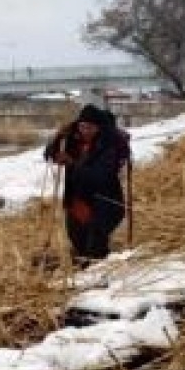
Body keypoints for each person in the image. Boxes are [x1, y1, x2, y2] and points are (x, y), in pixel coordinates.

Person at [43, 104, 130, 264]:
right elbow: (49, 155)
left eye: (90, 128)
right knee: (78, 242)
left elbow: (99, 176)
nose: (85, 131)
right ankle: (85, 273)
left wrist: (71, 163)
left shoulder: (109, 145)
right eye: (82, 127)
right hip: (76, 202)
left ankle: (97, 277)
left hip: (104, 204)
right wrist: (57, 139)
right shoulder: (74, 139)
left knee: (94, 247)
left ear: (98, 128)